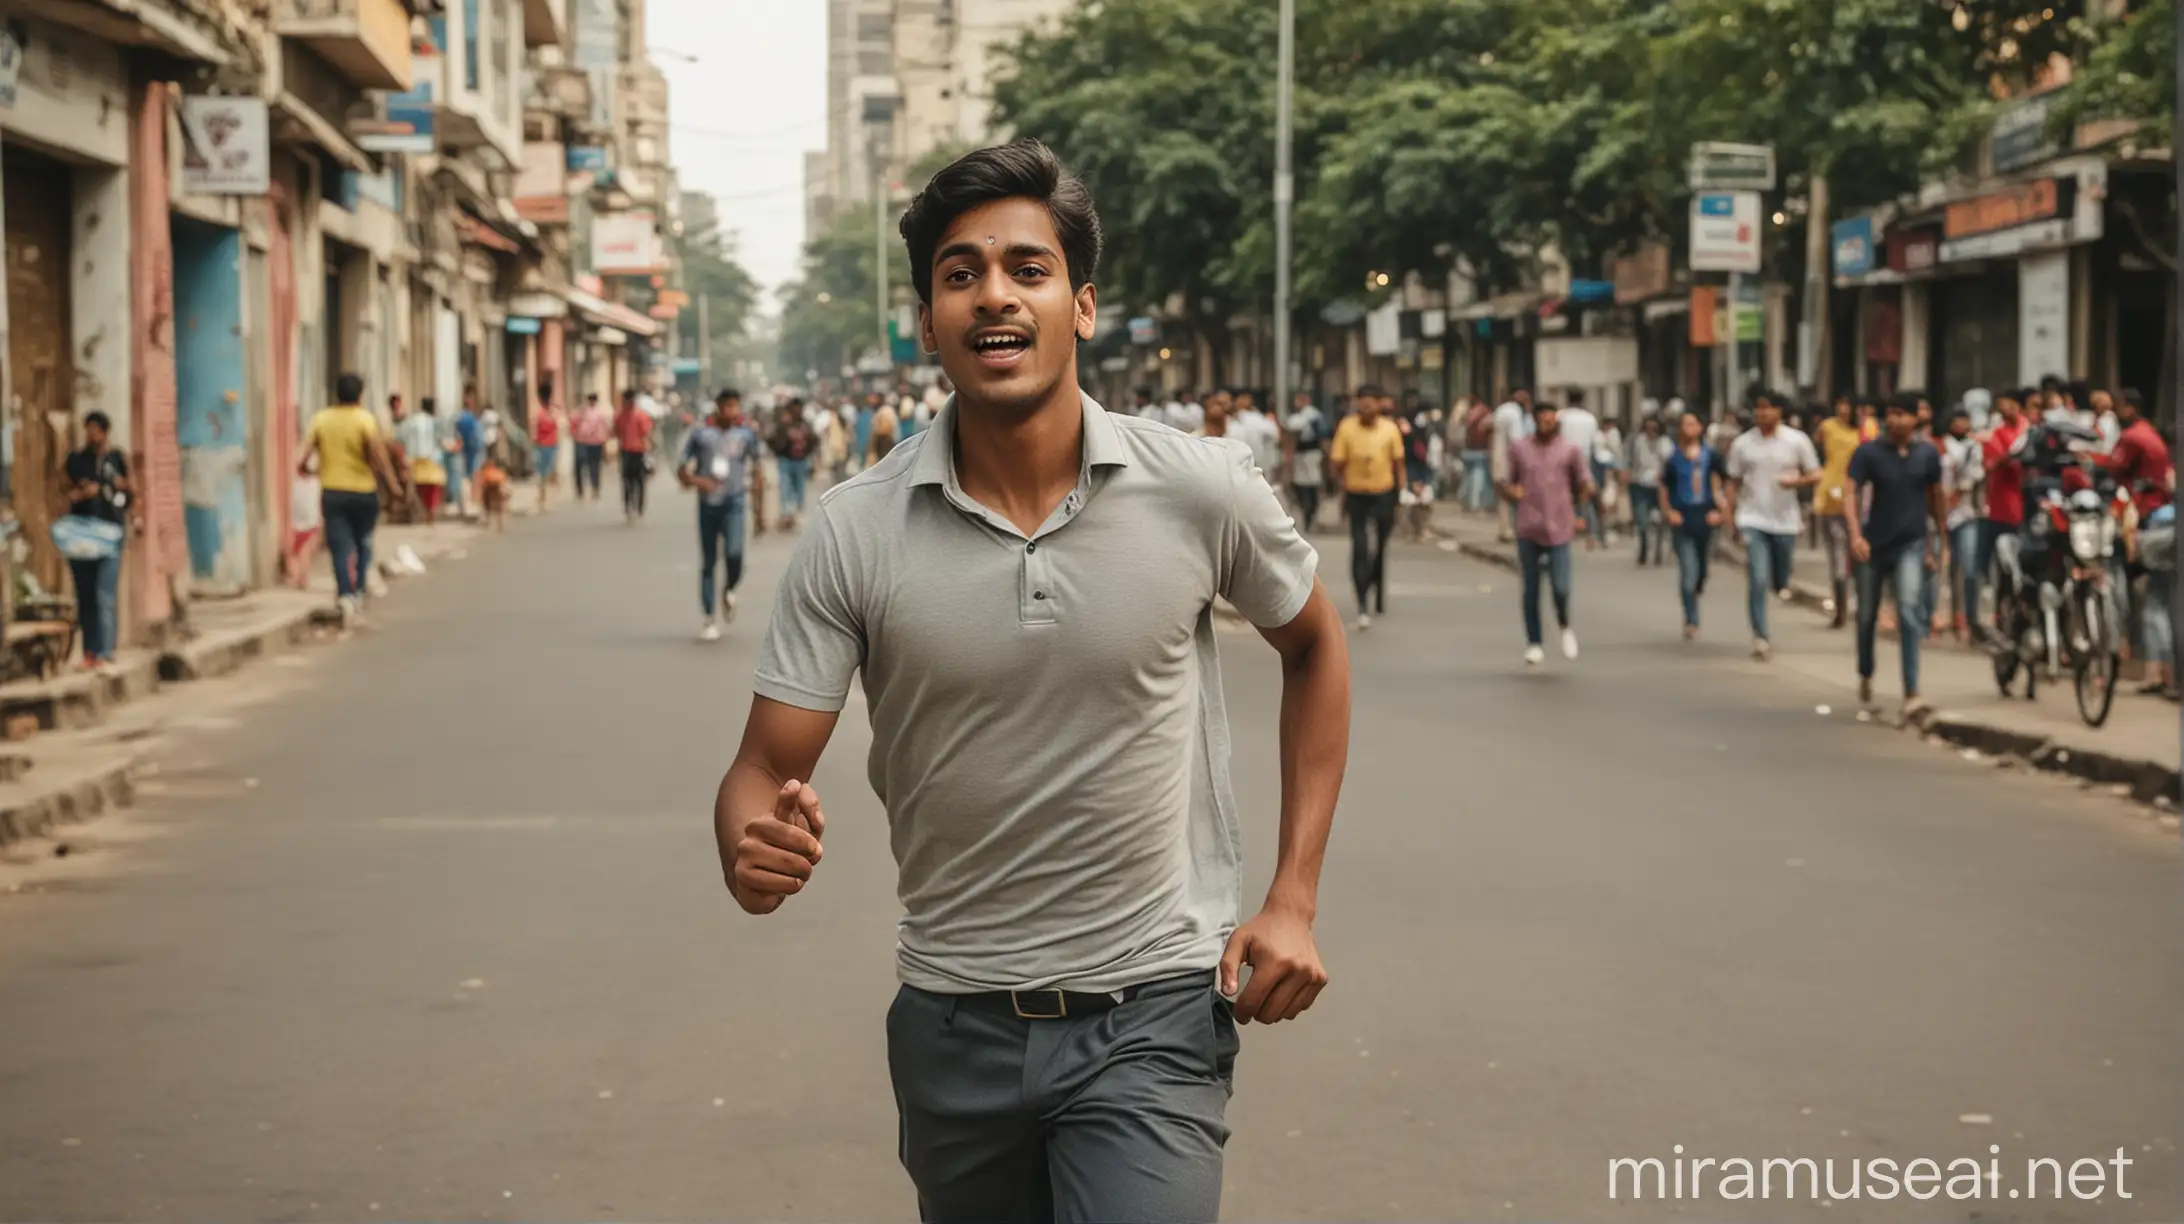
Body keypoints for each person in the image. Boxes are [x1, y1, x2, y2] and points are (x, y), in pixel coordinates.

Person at [718, 140, 1347, 1223]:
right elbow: (761, 770)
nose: (993, 295)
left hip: (1153, 1011)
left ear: (1082, 305)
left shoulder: (1200, 489)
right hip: (952, 1023)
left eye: (1028, 268)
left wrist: (1292, 897)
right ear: (927, 321)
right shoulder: (855, 531)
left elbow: (1316, 648)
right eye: (960, 274)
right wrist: (748, 849)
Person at [1844, 393, 1947, 714]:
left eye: (1904, 414)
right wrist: (1855, 535)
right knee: (1866, 617)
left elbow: (1936, 497)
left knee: (1907, 610)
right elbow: (1850, 491)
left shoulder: (1927, 455)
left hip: (1911, 543)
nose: (1897, 420)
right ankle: (1865, 672)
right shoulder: (1869, 453)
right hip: (1873, 545)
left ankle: (1911, 689)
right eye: (1892, 414)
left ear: (1917, 419)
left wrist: (1939, 540)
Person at [1722, 390, 1822, 661]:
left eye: (1769, 408)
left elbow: (1815, 473)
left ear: (1780, 412)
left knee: (1780, 576)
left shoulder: (1796, 440)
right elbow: (1732, 481)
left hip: (1785, 519)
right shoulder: (1743, 444)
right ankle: (1760, 636)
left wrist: (1796, 483)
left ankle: (1781, 583)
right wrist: (1729, 517)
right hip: (1752, 517)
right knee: (1757, 577)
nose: (1763, 414)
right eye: (1759, 408)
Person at [300, 373, 399, 627]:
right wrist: (393, 486)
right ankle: (360, 588)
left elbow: (304, 456)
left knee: (340, 546)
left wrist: (311, 470)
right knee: (363, 541)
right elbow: (378, 456)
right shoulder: (365, 420)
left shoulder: (321, 419)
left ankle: (345, 594)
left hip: (333, 492)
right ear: (360, 395)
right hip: (364, 492)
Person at [1501, 397, 1593, 665]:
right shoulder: (1520, 449)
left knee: (1561, 586)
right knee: (1530, 588)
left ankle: (1564, 625)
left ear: (1556, 421)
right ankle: (1534, 641)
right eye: (1541, 419)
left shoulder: (1570, 450)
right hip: (1528, 525)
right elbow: (1508, 481)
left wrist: (1581, 514)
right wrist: (1511, 491)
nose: (1546, 423)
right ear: (1535, 421)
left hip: (1560, 527)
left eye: (1550, 419)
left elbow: (1584, 482)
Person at [2095, 388, 2175, 695]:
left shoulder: (2132, 439)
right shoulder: (2151, 434)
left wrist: (2088, 457)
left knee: (2126, 596)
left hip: (2146, 523)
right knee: (2159, 600)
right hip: (2164, 520)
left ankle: (2126, 660)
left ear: (2128, 408)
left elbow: (2113, 467)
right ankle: (2161, 673)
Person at [682, 389, 761, 641]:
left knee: (734, 554)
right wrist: (697, 481)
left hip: (735, 503)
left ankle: (729, 588)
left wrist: (760, 513)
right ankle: (708, 617)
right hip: (708, 505)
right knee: (708, 561)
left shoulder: (746, 436)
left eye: (736, 406)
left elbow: (757, 470)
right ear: (718, 407)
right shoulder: (701, 436)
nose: (732, 411)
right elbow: (682, 470)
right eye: (727, 406)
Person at [1330, 384, 1404, 629]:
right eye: (1363, 402)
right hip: (1356, 493)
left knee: (1381, 544)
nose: (1367, 406)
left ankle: (1376, 581)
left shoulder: (1390, 428)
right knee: (1360, 545)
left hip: (1384, 492)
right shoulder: (1347, 427)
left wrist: (1401, 494)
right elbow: (1337, 462)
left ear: (1379, 404)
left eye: (1371, 402)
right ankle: (1362, 598)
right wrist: (1340, 488)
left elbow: (1398, 462)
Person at [62, 411, 131, 669]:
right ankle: (89, 652)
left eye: (96, 429)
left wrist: (114, 487)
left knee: (104, 594)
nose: (91, 434)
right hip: (81, 534)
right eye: (88, 429)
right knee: (86, 595)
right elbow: (61, 491)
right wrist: (78, 494)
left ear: (105, 432)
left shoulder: (117, 459)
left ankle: (105, 651)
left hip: (111, 533)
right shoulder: (76, 461)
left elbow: (131, 491)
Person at [1661, 409, 1725, 640]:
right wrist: (1669, 511)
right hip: (1682, 517)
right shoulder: (1673, 458)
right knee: (1688, 571)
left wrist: (1722, 511)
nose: (1688, 429)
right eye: (1684, 425)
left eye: (1692, 424)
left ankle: (1696, 589)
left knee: (1702, 570)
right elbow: (1664, 486)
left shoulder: (1711, 456)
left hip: (1706, 516)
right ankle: (1691, 618)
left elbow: (1724, 483)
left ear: (1700, 428)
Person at [1975, 388, 2031, 642]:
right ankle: (2000, 620)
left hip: (2028, 513)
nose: (2005, 409)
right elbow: (1988, 466)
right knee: (2002, 572)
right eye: (2001, 405)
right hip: (2000, 513)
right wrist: (2007, 457)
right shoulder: (1995, 437)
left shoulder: (2030, 433)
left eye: (2009, 403)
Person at [1811, 394, 1863, 629]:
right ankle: (1840, 604)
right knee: (1838, 553)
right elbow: (1818, 448)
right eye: (1840, 404)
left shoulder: (1864, 430)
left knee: (1859, 552)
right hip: (1831, 490)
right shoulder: (1827, 427)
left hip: (1858, 493)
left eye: (1848, 405)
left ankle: (1862, 602)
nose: (1843, 409)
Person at [1939, 408, 1985, 640]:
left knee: (1969, 567)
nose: (1962, 423)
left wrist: (1959, 491)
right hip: (1942, 513)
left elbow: (1975, 477)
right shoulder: (1941, 445)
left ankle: (1971, 617)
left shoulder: (1974, 447)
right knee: (1950, 568)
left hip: (1966, 513)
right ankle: (1955, 615)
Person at [1554, 393, 1602, 549]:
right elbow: (1596, 443)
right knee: (1586, 499)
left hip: (1563, 463)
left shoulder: (1561, 416)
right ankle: (1592, 534)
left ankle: (1563, 531)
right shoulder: (1590, 418)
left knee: (1562, 498)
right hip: (1585, 463)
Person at [1489, 388, 1534, 542]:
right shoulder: (1514, 413)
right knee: (1516, 494)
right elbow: (1517, 440)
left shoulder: (1500, 410)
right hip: (1510, 460)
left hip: (1498, 457)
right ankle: (1516, 529)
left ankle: (1504, 529)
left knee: (1503, 496)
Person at [1625, 413, 1669, 566]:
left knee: (1661, 521)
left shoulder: (1665, 443)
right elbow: (1635, 461)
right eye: (1648, 428)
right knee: (1641, 519)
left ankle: (1658, 551)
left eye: (1654, 429)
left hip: (1659, 486)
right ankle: (1643, 548)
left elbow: (1668, 463)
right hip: (1641, 483)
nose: (1651, 432)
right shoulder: (1639, 441)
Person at [396, 395, 447, 524]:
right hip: (431, 459)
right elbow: (440, 440)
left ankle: (425, 511)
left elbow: (402, 438)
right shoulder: (435, 422)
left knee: (420, 487)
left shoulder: (412, 421)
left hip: (415, 459)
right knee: (433, 487)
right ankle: (430, 512)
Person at [1284, 390, 1328, 531]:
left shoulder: (1313, 416)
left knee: (1312, 482)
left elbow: (1322, 437)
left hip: (1312, 453)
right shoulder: (1296, 417)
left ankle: (1310, 510)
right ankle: (1306, 508)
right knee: (1300, 482)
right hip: (1300, 454)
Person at [771, 400, 817, 530]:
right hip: (785, 460)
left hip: (800, 461)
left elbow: (814, 439)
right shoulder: (783, 424)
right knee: (785, 487)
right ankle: (786, 514)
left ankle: (796, 513)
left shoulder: (805, 425)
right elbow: (772, 439)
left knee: (799, 487)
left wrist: (808, 451)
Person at [613, 388, 655, 523]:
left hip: (638, 452)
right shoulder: (620, 415)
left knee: (639, 480)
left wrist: (648, 447)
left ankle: (639, 506)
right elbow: (616, 430)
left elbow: (647, 433)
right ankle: (628, 507)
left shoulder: (640, 416)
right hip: (625, 451)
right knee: (626, 480)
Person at [571, 393, 611, 500]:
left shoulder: (585, 411)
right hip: (588, 442)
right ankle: (589, 489)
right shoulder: (592, 412)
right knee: (590, 466)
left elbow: (573, 423)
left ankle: (590, 489)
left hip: (590, 442)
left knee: (590, 467)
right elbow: (606, 429)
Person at [1459, 397, 1494, 512]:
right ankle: (1475, 503)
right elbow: (1489, 432)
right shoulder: (1485, 415)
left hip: (1468, 450)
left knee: (1468, 477)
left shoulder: (1469, 415)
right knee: (1478, 479)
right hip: (1480, 451)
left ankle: (1466, 501)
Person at [453, 387, 484, 517]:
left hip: (468, 451)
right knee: (469, 479)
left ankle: (466, 506)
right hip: (470, 451)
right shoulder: (467, 419)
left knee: (466, 478)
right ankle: (469, 505)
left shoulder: (462, 418)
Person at [531, 389, 563, 513]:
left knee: (547, 474)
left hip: (549, 445)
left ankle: (546, 500)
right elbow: (535, 430)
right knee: (543, 474)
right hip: (543, 446)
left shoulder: (550, 413)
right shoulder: (540, 413)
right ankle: (543, 500)